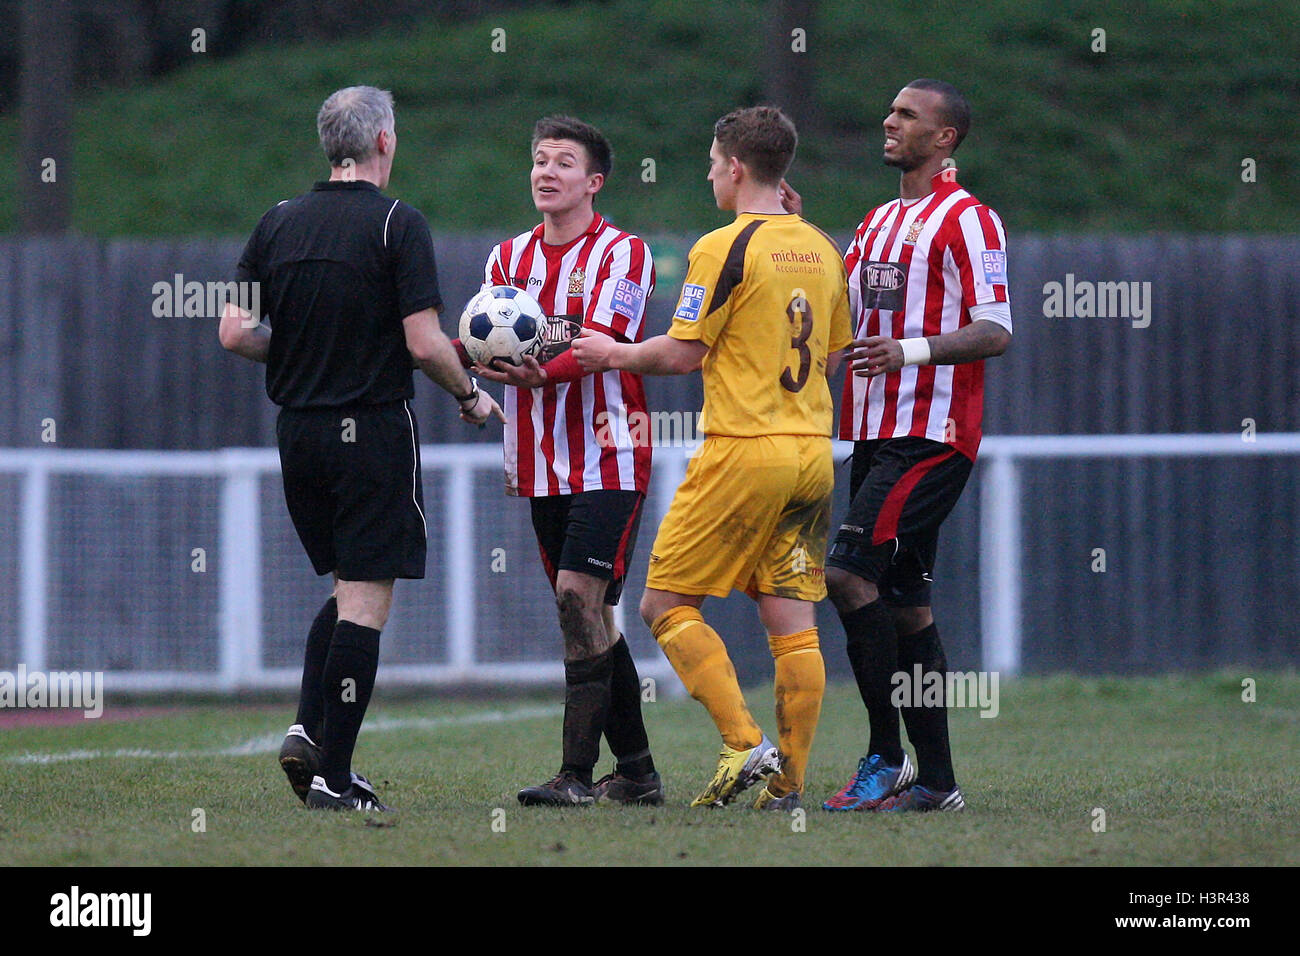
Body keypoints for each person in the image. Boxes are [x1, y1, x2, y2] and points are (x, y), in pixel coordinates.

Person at [219, 85, 504, 812]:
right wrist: (470, 393)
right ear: (384, 142)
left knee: (349, 588)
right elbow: (422, 342)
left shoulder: (277, 223)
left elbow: (235, 334)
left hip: (299, 435)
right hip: (370, 431)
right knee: (367, 602)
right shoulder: (396, 225)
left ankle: (308, 732)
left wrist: (305, 349)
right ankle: (333, 779)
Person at [573, 106, 852, 811]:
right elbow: (838, 352)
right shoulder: (822, 244)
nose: (707, 174)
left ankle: (741, 741)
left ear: (734, 167)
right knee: (792, 622)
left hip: (744, 451)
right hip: (813, 453)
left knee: (664, 602)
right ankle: (787, 784)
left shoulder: (723, 245)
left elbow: (681, 351)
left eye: (710, 162)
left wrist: (613, 353)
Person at [797, 78, 1012, 813]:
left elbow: (995, 329)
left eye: (907, 115)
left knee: (846, 576)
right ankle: (941, 784)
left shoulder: (971, 221)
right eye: (888, 109)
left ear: (945, 137)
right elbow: (849, 290)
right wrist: (803, 233)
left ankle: (885, 757)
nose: (888, 121)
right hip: (873, 434)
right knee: (905, 604)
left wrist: (910, 353)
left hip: (930, 437)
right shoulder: (880, 220)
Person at [469, 116, 662, 807]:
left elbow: (603, 341)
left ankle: (575, 776)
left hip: (612, 453)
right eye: (539, 159)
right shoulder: (505, 259)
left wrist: (533, 370)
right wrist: (472, 368)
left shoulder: (624, 254)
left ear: (595, 181)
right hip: (539, 461)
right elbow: (484, 341)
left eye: (563, 162)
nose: (546, 172)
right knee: (592, 617)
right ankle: (636, 773)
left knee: (577, 598)